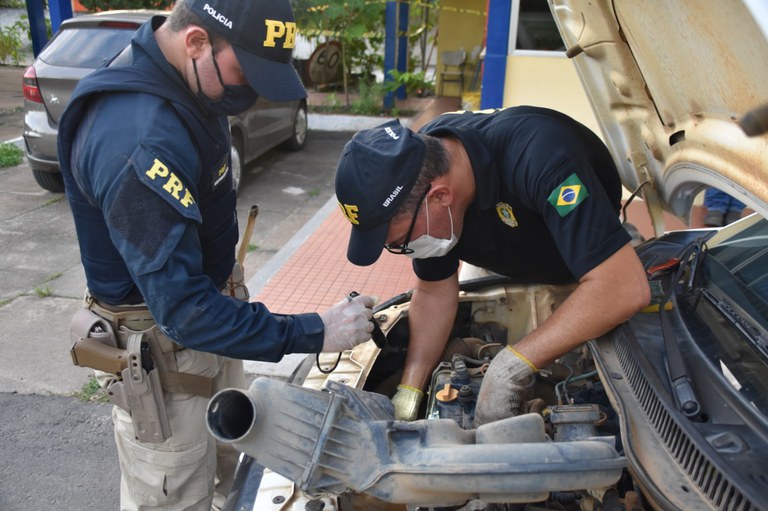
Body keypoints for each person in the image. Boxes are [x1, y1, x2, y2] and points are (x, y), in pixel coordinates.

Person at [57, 0, 375, 509]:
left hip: (209, 332)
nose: (250, 95)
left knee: (235, 467)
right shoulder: (138, 139)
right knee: (176, 490)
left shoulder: (184, 79)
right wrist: (316, 330)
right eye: (243, 74)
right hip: (167, 358)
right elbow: (183, 311)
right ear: (196, 41)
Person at [334, 107, 650, 424]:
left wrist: (508, 369)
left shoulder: (543, 157)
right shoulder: (422, 170)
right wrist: (409, 390)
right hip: (500, 262)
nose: (404, 250)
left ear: (440, 196)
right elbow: (433, 292)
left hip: (590, 267)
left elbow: (621, 287)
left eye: (400, 241)